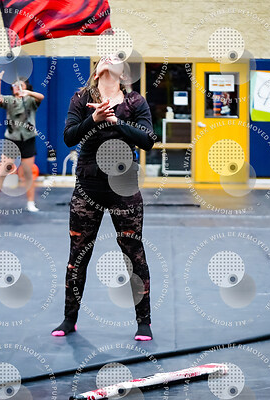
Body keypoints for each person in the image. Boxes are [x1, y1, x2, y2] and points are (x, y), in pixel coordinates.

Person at [52, 55, 156, 341]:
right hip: (88, 186)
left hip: (124, 186)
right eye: (104, 58)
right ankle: (69, 319)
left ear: (123, 74)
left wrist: (115, 120)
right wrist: (94, 119)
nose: (110, 59)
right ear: (96, 71)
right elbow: (69, 137)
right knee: (78, 255)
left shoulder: (135, 102)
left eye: (116, 59)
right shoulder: (81, 98)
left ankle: (144, 322)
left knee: (133, 254)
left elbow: (148, 139)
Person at [0, 69, 44, 212]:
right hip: (12, 140)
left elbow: (41, 97)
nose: (17, 87)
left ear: (26, 87)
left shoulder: (31, 100)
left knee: (28, 174)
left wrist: (28, 93)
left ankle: (31, 203)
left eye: (21, 85)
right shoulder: (10, 100)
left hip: (28, 139)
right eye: (15, 85)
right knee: (3, 171)